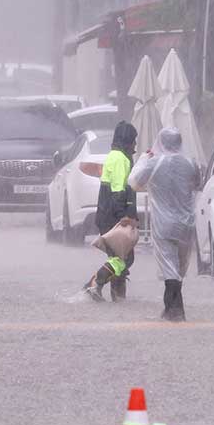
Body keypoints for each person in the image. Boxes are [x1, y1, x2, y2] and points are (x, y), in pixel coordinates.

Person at [127, 127, 199, 320]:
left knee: (170, 268)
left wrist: (143, 159)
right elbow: (196, 185)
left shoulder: (153, 164)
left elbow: (133, 182)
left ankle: (174, 311)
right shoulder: (191, 163)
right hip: (186, 225)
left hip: (164, 224)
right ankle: (172, 310)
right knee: (179, 268)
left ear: (160, 142)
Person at [86, 121, 139, 301]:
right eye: (134, 140)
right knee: (124, 258)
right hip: (113, 215)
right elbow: (118, 190)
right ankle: (96, 282)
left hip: (105, 213)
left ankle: (119, 300)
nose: (135, 145)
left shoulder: (113, 156)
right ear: (127, 140)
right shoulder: (120, 160)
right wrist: (123, 216)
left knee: (118, 258)